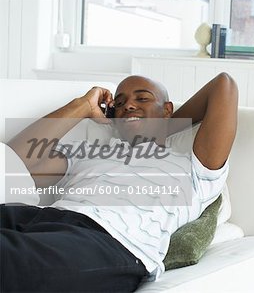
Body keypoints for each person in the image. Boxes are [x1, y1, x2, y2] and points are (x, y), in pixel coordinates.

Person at [1, 73, 238, 292]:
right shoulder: (90, 152)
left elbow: (223, 85)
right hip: (43, 218)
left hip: (105, 242)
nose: (129, 106)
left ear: (167, 110)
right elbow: (12, 161)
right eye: (120, 104)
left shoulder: (193, 169)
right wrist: (82, 105)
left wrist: (164, 127)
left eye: (142, 98)